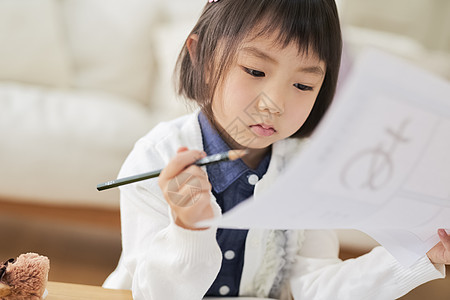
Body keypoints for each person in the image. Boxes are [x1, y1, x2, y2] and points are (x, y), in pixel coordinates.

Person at [103, 0, 449, 299]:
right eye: (255, 70)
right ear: (202, 58)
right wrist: (189, 231)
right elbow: (152, 295)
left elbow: (315, 287)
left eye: (303, 84)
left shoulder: (308, 166)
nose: (275, 103)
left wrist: (423, 254)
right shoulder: (155, 158)